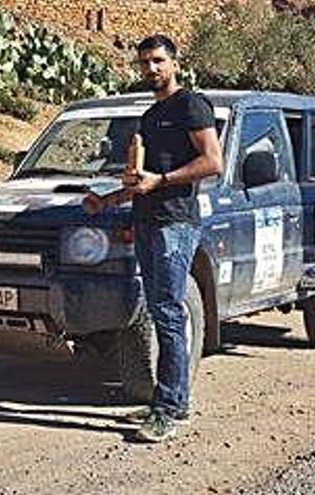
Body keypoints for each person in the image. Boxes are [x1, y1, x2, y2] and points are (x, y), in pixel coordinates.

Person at [86, 34, 223, 442]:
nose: (151, 69)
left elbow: (212, 161)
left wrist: (162, 180)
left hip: (174, 224)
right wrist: (108, 200)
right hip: (147, 221)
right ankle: (173, 401)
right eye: (145, 62)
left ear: (174, 62)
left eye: (158, 61)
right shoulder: (150, 115)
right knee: (159, 310)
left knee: (167, 313)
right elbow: (142, 180)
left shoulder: (191, 104)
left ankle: (167, 410)